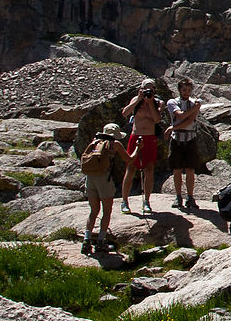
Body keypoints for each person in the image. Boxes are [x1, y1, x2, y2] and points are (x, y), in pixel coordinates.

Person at [81, 123, 137, 255]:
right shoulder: (115, 144)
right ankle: (101, 241)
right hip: (104, 179)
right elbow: (129, 159)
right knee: (106, 211)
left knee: (93, 211)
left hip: (90, 178)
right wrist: (138, 149)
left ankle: (86, 240)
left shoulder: (95, 142)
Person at [120, 79, 165, 215]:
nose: (148, 91)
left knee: (149, 168)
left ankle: (146, 201)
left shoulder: (158, 102)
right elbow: (125, 113)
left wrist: (150, 102)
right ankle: (124, 201)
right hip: (136, 136)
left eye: (151, 88)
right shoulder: (136, 100)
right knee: (130, 167)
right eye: (146, 88)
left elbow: (157, 119)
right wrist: (138, 99)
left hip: (150, 137)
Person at [166, 77, 204, 210]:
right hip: (177, 138)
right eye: (184, 90)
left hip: (190, 137)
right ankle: (178, 196)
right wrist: (195, 108)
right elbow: (181, 116)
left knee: (190, 169)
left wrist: (172, 127)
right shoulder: (172, 102)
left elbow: (190, 120)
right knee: (176, 169)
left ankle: (190, 196)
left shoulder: (194, 103)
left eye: (188, 90)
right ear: (179, 90)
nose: (186, 92)